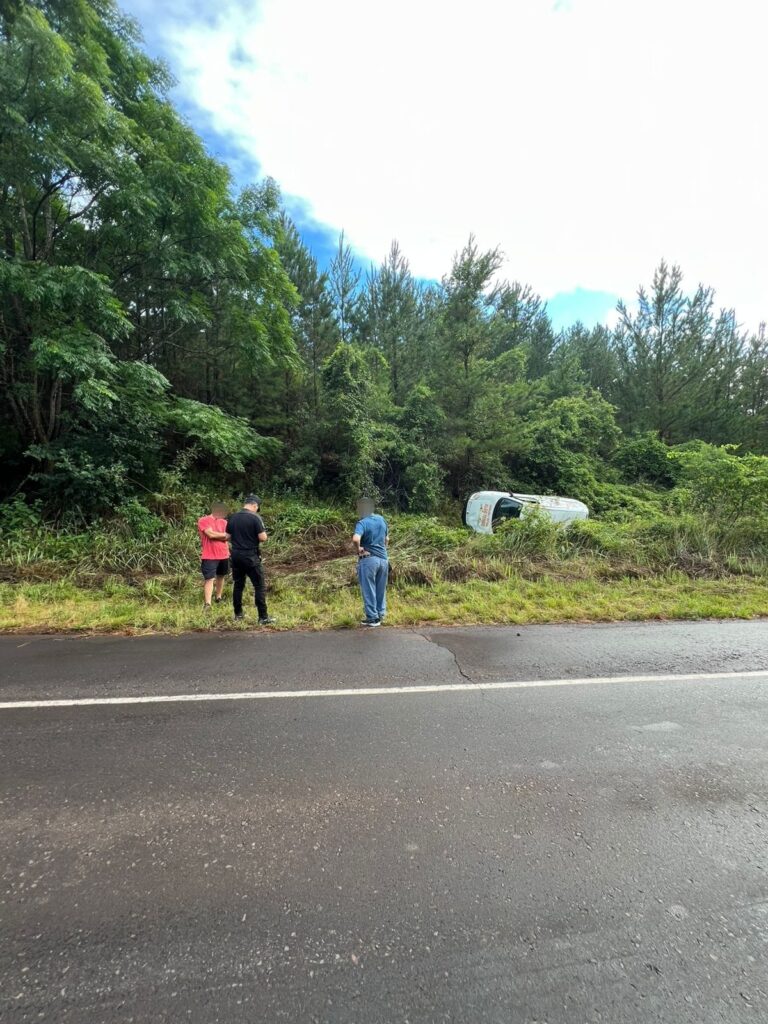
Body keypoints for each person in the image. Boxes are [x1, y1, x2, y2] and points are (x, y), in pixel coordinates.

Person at [226, 494, 274, 625]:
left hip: (236, 555)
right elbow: (263, 538)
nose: (256, 510)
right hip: (250, 556)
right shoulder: (255, 517)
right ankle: (263, 617)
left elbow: (227, 537)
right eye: (257, 508)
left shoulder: (233, 517)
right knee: (259, 585)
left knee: (238, 585)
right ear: (254, 505)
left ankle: (238, 615)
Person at [352, 496, 389, 627]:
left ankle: (372, 618)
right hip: (383, 560)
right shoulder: (382, 520)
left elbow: (356, 539)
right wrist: (383, 550)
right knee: (381, 589)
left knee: (369, 590)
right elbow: (387, 539)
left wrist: (359, 549)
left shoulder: (362, 523)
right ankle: (381, 614)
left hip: (368, 560)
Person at [197, 502, 230, 611]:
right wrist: (223, 536)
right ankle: (207, 604)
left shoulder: (224, 522)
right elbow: (210, 535)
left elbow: (229, 537)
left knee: (221, 576)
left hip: (224, 553)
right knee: (209, 578)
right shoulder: (203, 520)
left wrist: (220, 535)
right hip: (209, 555)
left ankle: (218, 598)